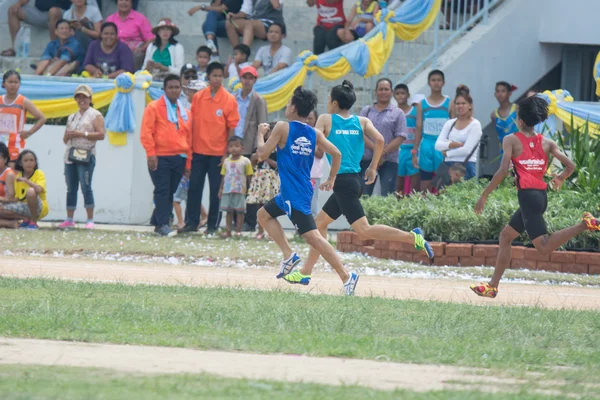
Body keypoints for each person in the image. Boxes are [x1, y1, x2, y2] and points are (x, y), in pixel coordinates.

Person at [283, 81, 434, 288]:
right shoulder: (361, 121)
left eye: (328, 100)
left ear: (334, 103)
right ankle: (305, 272)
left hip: (344, 183)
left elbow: (312, 138)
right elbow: (380, 140)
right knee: (320, 224)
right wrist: (372, 167)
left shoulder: (326, 119)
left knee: (363, 231)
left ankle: (411, 237)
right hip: (355, 179)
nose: (327, 104)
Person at [471, 95, 600, 299]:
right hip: (539, 197)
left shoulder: (510, 139)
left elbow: (502, 170)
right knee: (505, 237)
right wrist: (559, 178)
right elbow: (571, 166)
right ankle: (492, 286)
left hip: (528, 198)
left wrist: (484, 195)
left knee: (543, 247)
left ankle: (585, 224)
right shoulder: (547, 143)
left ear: (520, 121)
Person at [255, 86, 361, 296]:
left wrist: (261, 134)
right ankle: (288, 254)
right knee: (263, 215)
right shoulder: (314, 132)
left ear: (293, 108)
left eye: (287, 104)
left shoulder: (282, 127)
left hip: (295, 195)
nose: (286, 107)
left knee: (314, 238)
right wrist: (331, 178)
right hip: (296, 191)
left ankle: (347, 276)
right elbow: (337, 154)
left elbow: (261, 154)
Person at [179, 62, 240, 235]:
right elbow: (192, 125)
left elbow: (232, 128)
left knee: (216, 191)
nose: (217, 79)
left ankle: (213, 226)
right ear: (208, 77)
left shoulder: (229, 99)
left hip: (217, 154)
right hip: (198, 151)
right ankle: (191, 222)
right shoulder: (198, 97)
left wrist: (225, 153)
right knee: (194, 188)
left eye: (220, 75)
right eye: (214, 75)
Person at [140, 75, 191, 237]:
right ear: (164, 89)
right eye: (171, 87)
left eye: (177, 87)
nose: (174, 90)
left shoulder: (184, 111)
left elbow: (189, 137)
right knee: (162, 190)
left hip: (179, 157)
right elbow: (146, 132)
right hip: (160, 156)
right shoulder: (153, 107)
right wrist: (151, 154)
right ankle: (163, 223)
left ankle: (157, 220)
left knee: (170, 192)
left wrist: (188, 163)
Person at [57, 84, 105, 229]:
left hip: (86, 156)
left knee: (86, 186)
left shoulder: (96, 115)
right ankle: (69, 218)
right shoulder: (72, 117)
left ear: (90, 98)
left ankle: (90, 219)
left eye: (84, 97)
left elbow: (101, 135)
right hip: (70, 156)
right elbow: (65, 140)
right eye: (79, 97)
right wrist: (67, 136)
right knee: (71, 188)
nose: (82, 100)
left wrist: (81, 134)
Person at [359, 78, 406, 196]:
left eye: (386, 89)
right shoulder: (366, 111)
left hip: (389, 160)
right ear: (376, 91)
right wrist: (376, 149)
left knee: (387, 196)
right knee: (364, 195)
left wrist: (382, 152)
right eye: (381, 89)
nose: (383, 92)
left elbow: (400, 136)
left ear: (391, 92)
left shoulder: (398, 113)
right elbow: (360, 133)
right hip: (367, 160)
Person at [172, 78, 209, 230]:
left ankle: (194, 219)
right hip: (187, 153)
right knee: (189, 190)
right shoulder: (188, 108)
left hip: (196, 153)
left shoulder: (202, 111)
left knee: (187, 190)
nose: (188, 93)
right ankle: (197, 218)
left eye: (192, 91)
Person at [235, 65, 267, 232]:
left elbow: (263, 126)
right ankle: (236, 221)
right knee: (236, 185)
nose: (247, 80)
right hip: (235, 146)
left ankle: (250, 222)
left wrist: (258, 150)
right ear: (240, 79)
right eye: (244, 77)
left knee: (251, 186)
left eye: (250, 77)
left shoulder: (258, 100)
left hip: (250, 147)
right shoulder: (233, 98)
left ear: (255, 80)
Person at [414, 69, 454, 192]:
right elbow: (418, 128)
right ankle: (424, 207)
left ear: (443, 83)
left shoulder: (450, 103)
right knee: (425, 180)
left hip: (443, 146)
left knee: (444, 181)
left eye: (439, 80)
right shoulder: (422, 104)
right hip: (426, 145)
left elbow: (454, 128)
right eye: (433, 80)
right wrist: (414, 151)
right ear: (429, 83)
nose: (436, 83)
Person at [435, 85, 482, 180]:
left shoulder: (475, 124)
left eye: (463, 103)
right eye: (457, 103)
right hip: (448, 167)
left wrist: (447, 153)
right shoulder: (450, 123)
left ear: (470, 105)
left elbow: (467, 150)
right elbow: (437, 145)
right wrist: (452, 144)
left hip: (466, 166)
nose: (460, 106)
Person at [0, 70, 46, 166]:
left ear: (19, 84)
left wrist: (29, 132)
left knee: (12, 173)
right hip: (1, 143)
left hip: (15, 144)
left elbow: (42, 118)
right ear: (4, 83)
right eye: (10, 82)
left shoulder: (23, 101)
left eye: (16, 82)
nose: (13, 85)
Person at [2, 0, 71, 57]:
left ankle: (54, 49)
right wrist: (18, 4)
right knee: (12, 10)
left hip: (60, 13)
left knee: (53, 11)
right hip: (40, 13)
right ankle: (15, 49)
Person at [0, 150, 48, 229]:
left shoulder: (39, 173)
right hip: (24, 207)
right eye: (26, 160)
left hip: (39, 207)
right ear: (21, 163)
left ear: (35, 162)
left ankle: (33, 222)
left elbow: (39, 189)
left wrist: (26, 181)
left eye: (31, 160)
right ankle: (23, 220)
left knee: (30, 191)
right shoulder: (18, 176)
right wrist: (3, 201)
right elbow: (18, 198)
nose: (29, 163)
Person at [247, 123, 279, 239]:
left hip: (272, 179)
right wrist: (257, 156)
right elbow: (252, 161)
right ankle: (260, 230)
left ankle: (271, 232)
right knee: (260, 205)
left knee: (271, 206)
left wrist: (267, 158)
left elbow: (278, 165)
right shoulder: (260, 147)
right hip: (260, 178)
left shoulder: (278, 148)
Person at [219, 136, 254, 237]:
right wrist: (221, 188)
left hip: (240, 190)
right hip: (227, 190)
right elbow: (223, 176)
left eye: (236, 146)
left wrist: (250, 189)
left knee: (240, 211)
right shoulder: (226, 162)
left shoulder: (246, 161)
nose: (233, 148)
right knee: (229, 211)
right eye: (231, 146)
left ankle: (238, 231)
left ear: (242, 148)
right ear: (227, 149)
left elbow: (249, 176)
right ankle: (228, 231)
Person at [105, 0, 154, 71]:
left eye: (127, 0)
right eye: (121, 0)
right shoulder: (111, 19)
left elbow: (150, 38)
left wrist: (142, 48)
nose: (124, 2)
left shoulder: (140, 18)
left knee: (137, 56)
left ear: (132, 3)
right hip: (114, 50)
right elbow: (104, 37)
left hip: (133, 53)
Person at [394, 83, 421, 196]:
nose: (400, 96)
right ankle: (397, 208)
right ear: (394, 96)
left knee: (414, 184)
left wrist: (415, 150)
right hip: (398, 151)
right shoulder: (393, 112)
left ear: (408, 95)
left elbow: (419, 130)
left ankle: (413, 207)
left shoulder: (415, 110)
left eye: (403, 93)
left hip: (412, 150)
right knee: (398, 184)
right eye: (398, 94)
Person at [307, 109, 327, 216]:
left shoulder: (318, 134)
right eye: (306, 117)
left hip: (313, 176)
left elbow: (320, 154)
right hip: (299, 174)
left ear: (315, 120)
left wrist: (308, 143)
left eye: (310, 118)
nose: (307, 121)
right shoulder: (298, 132)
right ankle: (300, 231)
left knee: (312, 207)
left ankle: (311, 231)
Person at [491, 81, 518, 150]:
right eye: (498, 91)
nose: (500, 94)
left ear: (509, 93)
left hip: (518, 150)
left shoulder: (517, 109)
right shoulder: (494, 115)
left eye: (503, 91)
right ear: (495, 94)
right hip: (504, 152)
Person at [0, 143, 17, 228]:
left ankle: (10, 223)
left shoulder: (9, 174)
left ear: (6, 159)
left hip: (8, 206)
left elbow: (12, 198)